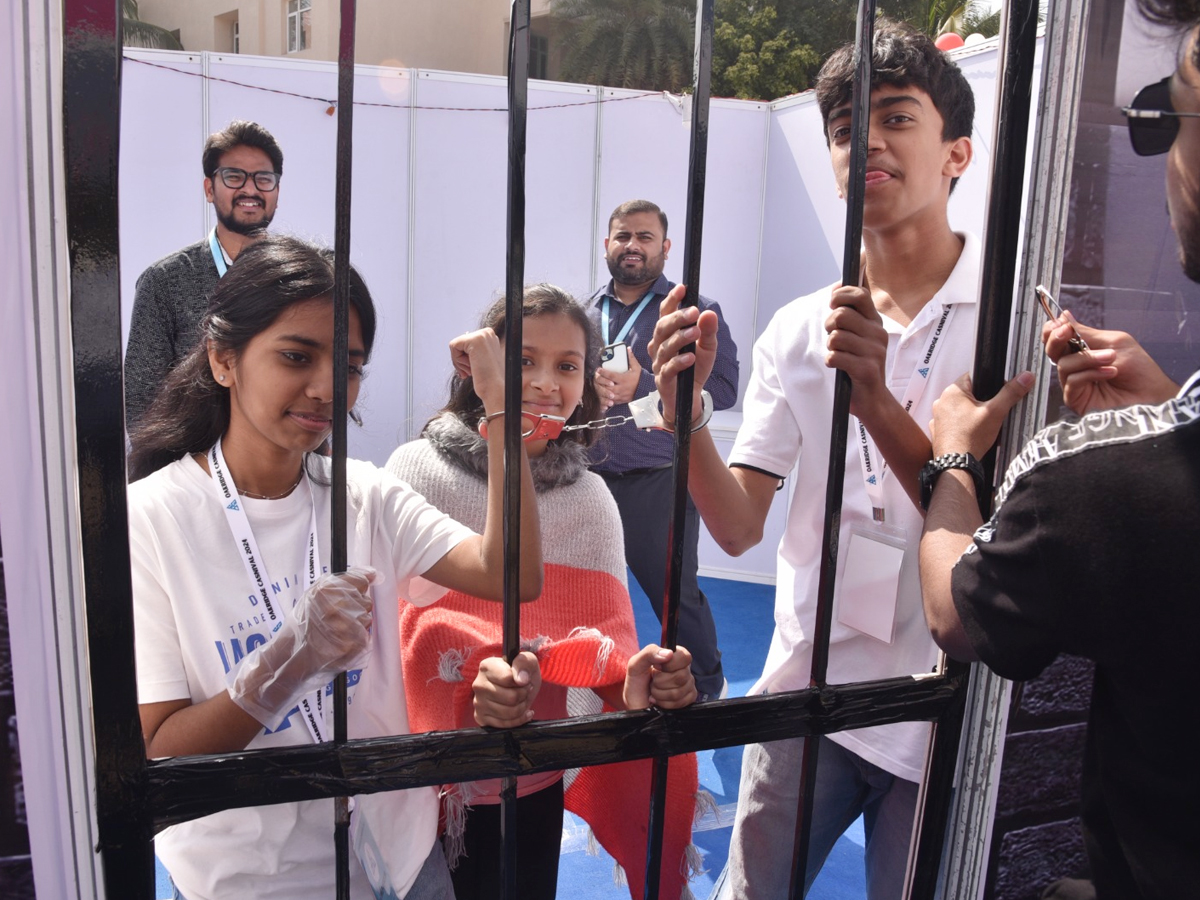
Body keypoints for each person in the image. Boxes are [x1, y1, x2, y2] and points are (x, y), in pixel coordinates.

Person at [650, 20, 977, 899]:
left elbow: (1003, 534)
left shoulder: (1013, 320)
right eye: (842, 129)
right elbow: (735, 521)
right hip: (807, 685)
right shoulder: (800, 328)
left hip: (945, 697)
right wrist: (685, 425)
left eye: (897, 116)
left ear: (958, 153)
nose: (864, 139)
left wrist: (875, 401)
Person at [127, 235, 542, 900]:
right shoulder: (150, 519)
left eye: (348, 366)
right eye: (296, 356)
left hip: (400, 864)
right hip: (246, 884)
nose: (326, 389)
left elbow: (513, 575)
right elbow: (163, 751)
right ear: (223, 359)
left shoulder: (363, 494)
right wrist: (289, 660)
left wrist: (500, 404)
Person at [918, 2, 1200, 897]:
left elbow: (957, 617)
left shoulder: (1101, 477)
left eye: (1167, 117)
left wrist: (954, 462)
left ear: (958, 152)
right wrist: (1167, 414)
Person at [388, 285, 700, 900]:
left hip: (532, 780)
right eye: (523, 361)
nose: (544, 383)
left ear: (588, 383)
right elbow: (385, 635)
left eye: (567, 366)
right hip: (418, 783)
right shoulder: (415, 471)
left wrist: (644, 678)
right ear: (479, 369)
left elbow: (608, 658)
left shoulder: (590, 500)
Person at [588, 199, 738, 702]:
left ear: (665, 247)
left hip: (659, 481)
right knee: (586, 593)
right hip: (586, 481)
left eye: (645, 237)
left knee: (676, 599)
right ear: (607, 245)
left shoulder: (693, 313)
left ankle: (706, 693)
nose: (633, 246)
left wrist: (645, 385)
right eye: (623, 236)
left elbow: (724, 389)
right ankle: (593, 687)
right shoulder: (586, 313)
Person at [125, 119, 284, 426]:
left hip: (285, 467)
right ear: (210, 189)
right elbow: (140, 404)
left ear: (277, 190)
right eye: (234, 176)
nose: (250, 189)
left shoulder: (299, 277)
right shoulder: (164, 282)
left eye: (263, 178)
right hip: (194, 468)